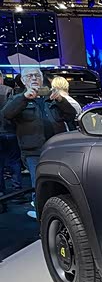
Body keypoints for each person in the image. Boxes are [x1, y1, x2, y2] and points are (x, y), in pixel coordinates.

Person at [2, 67, 78, 219]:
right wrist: (24, 98)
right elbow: (6, 114)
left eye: (37, 75)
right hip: (34, 151)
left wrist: (61, 100)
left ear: (42, 78)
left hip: (58, 149)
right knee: (40, 186)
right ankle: (42, 217)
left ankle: (61, 215)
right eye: (30, 76)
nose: (34, 78)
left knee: (62, 183)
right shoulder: (18, 98)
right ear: (23, 80)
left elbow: (71, 114)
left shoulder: (52, 96)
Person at [0, 80, 23, 214]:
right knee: (14, 161)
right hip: (10, 130)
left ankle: (1, 193)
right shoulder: (8, 90)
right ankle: (17, 191)